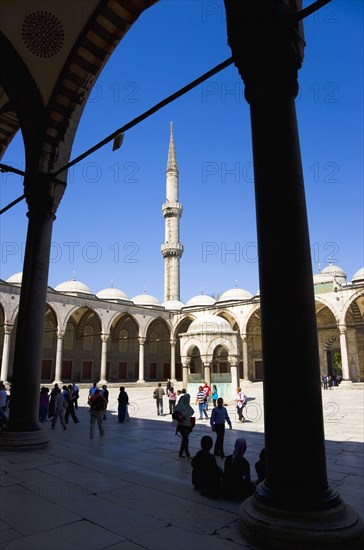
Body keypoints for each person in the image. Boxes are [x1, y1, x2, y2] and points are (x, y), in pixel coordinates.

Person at [174, 389, 194, 458]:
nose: (189, 400)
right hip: (182, 425)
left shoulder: (187, 406)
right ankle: (186, 453)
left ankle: (182, 453)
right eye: (188, 399)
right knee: (186, 439)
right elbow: (176, 415)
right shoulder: (180, 407)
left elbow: (191, 413)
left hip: (187, 425)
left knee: (185, 440)